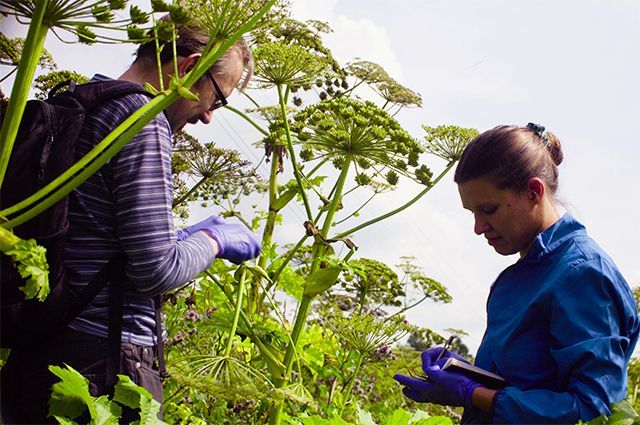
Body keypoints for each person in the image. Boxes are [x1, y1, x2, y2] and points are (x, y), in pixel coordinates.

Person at [0, 17, 261, 424]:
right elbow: (157, 270)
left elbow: (103, 234)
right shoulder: (142, 120)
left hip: (43, 346)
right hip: (101, 364)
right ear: (190, 67)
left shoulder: (91, 98)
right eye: (217, 99)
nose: (209, 117)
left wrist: (182, 235)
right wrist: (213, 240)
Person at [394, 123, 639, 423]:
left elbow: (592, 409)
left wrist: (473, 394)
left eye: (489, 209)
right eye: (472, 212)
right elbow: (527, 382)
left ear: (534, 192)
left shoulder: (582, 274)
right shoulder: (524, 273)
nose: (478, 227)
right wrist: (464, 376)